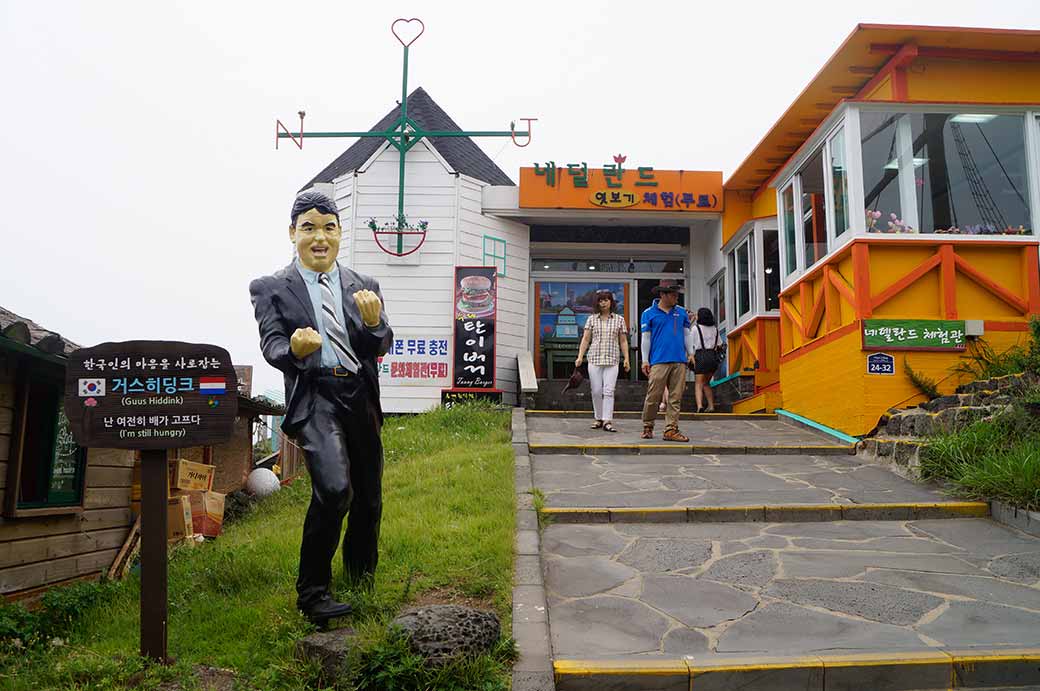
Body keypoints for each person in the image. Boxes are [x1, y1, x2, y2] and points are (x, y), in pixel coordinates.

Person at [249, 190, 392, 625]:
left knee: (369, 497)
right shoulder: (271, 287)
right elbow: (271, 343)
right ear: (293, 233)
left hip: (360, 396)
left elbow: (379, 344)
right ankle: (312, 593)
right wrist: (293, 349)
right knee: (333, 490)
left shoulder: (363, 284)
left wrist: (373, 323)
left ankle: (361, 578)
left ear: (339, 233)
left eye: (328, 228)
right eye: (309, 227)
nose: (319, 238)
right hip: (315, 397)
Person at [639, 280, 696, 441]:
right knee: (653, 396)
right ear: (662, 294)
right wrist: (645, 360)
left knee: (675, 397)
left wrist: (690, 353)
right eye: (673, 294)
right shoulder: (648, 313)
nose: (676, 297)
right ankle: (648, 426)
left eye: (677, 294)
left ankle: (671, 429)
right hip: (658, 360)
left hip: (679, 360)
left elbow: (687, 334)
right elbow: (646, 338)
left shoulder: (682, 312)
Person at [575, 290, 630, 432]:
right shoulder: (592, 319)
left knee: (609, 390)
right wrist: (580, 356)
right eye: (601, 300)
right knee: (596, 390)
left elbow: (623, 341)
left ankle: (607, 420)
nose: (603, 303)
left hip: (612, 360)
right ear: (597, 303)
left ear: (611, 302)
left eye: (606, 300)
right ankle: (598, 417)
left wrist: (626, 359)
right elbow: (586, 339)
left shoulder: (619, 319)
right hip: (594, 359)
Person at [691, 307, 720, 413]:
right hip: (713, 357)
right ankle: (711, 406)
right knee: (706, 383)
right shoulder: (715, 329)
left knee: (698, 383)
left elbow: (690, 342)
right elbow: (719, 344)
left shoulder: (696, 328)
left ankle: (700, 406)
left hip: (700, 356)